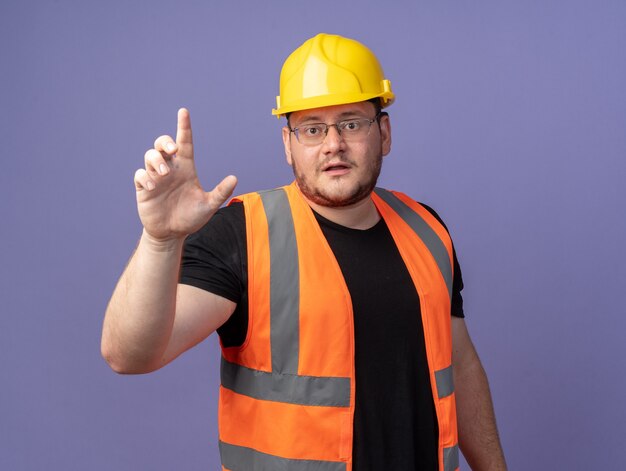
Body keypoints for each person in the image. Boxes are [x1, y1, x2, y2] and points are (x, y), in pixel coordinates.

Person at [102, 33, 507, 471]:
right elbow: (129, 355)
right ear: (288, 145)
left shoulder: (427, 230)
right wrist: (160, 240)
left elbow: (461, 366)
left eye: (352, 122)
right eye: (312, 128)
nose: (333, 143)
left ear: (384, 133)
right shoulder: (243, 233)